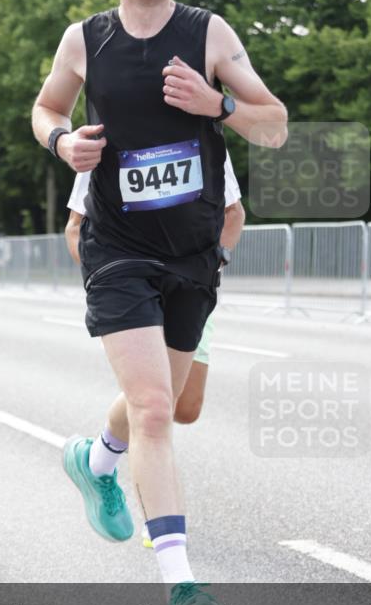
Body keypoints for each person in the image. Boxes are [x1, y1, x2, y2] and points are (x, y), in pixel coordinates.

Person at [32, 0, 287, 605]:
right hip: (115, 246)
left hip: (191, 252)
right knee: (152, 408)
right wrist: (60, 140)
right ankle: (181, 585)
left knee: (162, 406)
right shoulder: (85, 39)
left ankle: (94, 459)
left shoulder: (208, 34)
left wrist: (219, 104)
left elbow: (271, 123)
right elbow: (46, 106)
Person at [65, 153, 245, 428]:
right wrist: (107, 278)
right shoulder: (105, 134)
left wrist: (209, 268)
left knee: (185, 407)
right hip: (130, 282)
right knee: (153, 402)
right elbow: (75, 228)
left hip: (189, 282)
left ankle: (103, 451)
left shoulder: (204, 128)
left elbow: (233, 213)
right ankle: (106, 459)